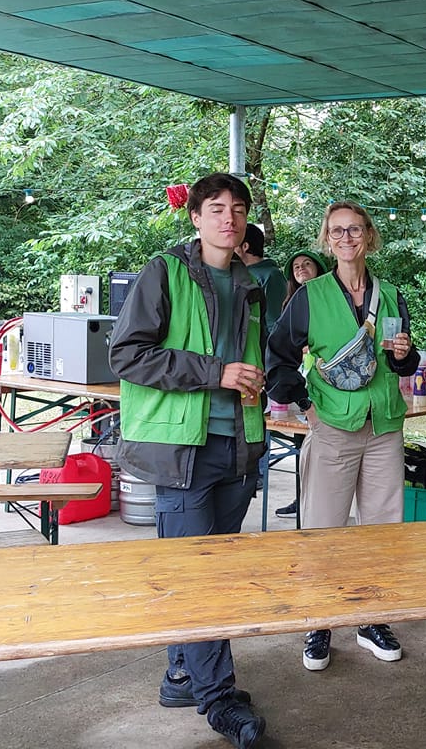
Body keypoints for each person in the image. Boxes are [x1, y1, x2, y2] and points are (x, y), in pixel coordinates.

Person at [108, 172, 269, 749]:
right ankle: (219, 699)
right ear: (196, 218)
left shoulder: (251, 285)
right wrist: (214, 372)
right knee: (203, 579)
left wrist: (255, 385)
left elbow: (248, 359)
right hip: (182, 452)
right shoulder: (165, 273)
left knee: (209, 571)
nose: (230, 218)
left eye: (239, 209)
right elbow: (127, 355)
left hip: (237, 446)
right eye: (217, 208)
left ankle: (182, 672)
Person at [266, 201, 419, 671]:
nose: (346, 238)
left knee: (381, 529)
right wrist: (306, 406)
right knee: (323, 526)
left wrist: (403, 355)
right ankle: (320, 620)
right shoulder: (310, 295)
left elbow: (404, 365)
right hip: (332, 424)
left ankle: (370, 618)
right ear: (326, 240)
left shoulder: (391, 295)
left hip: (384, 425)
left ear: (369, 236)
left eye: (355, 230)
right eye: (337, 231)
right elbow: (278, 356)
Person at [274, 251, 328, 520]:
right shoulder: (291, 304)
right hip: (300, 381)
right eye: (296, 266)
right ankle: (302, 497)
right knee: (302, 443)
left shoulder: (330, 299)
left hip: (326, 384)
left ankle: (317, 500)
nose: (301, 268)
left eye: (307, 263)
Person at [236, 223, 288, 496]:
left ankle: (256, 471)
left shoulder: (270, 275)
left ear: (245, 246)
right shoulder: (233, 272)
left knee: (257, 414)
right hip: (236, 362)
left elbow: (273, 324)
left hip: (261, 359)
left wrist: (268, 363)